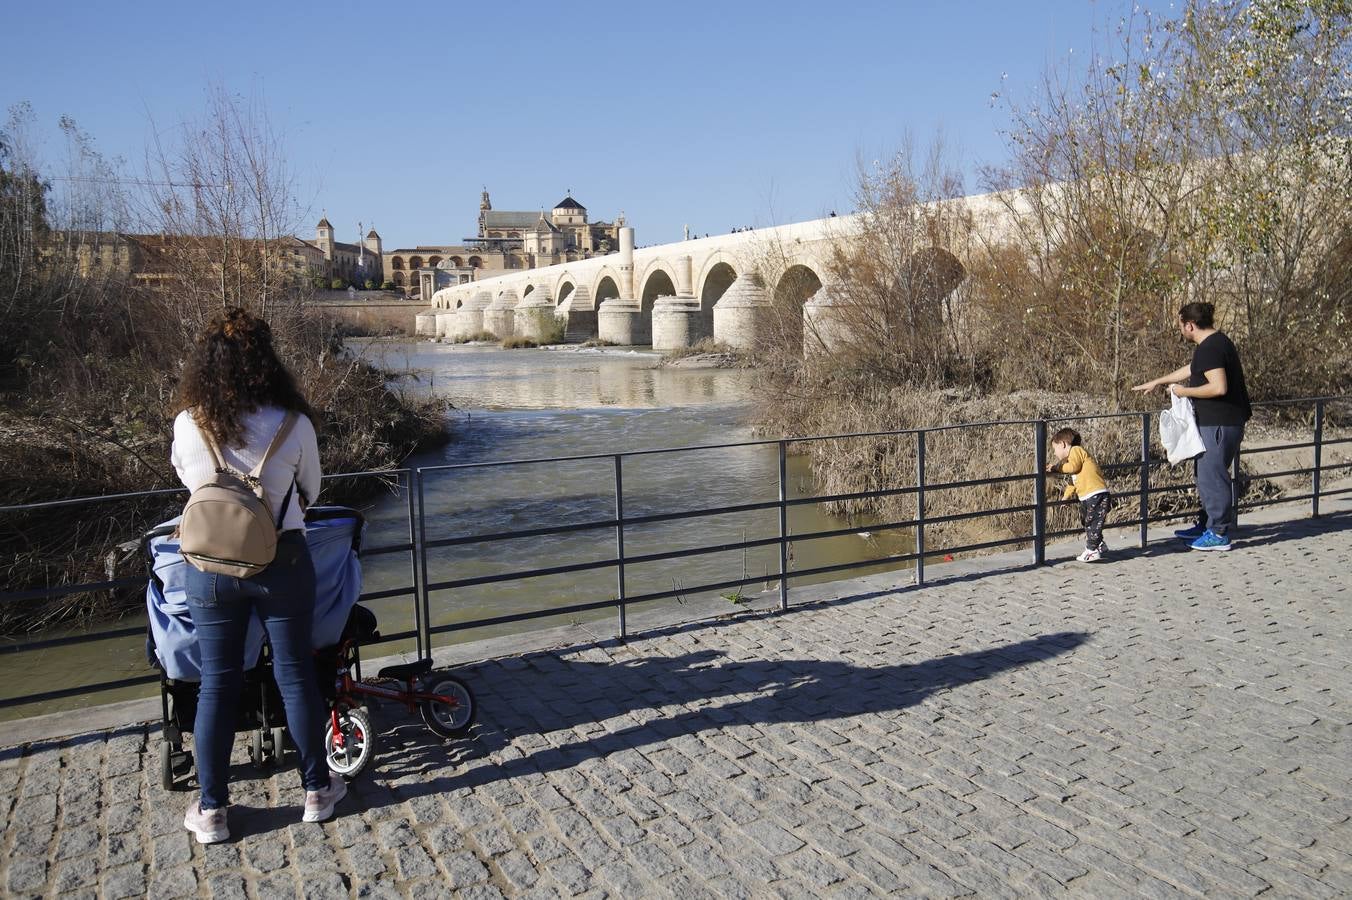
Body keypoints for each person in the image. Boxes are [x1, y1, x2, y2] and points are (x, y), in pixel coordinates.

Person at [171, 308, 346, 844]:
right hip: (283, 559)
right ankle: (317, 791)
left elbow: (187, 480)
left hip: (209, 565)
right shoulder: (293, 423)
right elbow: (311, 491)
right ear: (267, 361)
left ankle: (213, 810)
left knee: (217, 684)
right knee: (294, 674)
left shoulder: (188, 422)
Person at [1132, 301, 1251, 551]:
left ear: (1190, 325)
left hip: (1219, 423)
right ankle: (1208, 522)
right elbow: (1192, 369)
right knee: (1204, 474)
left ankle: (1218, 534)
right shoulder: (1214, 343)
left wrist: (1183, 392)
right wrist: (1158, 381)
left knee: (1212, 477)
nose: (1180, 331)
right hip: (1220, 422)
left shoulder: (1211, 348)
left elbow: (1219, 387)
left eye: (1180, 326)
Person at [1046, 428, 1112, 562]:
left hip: (1096, 494)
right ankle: (1098, 545)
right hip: (1088, 496)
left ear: (1063, 444)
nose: (1054, 452)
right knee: (1088, 521)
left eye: (1055, 448)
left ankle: (1092, 551)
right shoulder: (1072, 458)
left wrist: (1055, 468)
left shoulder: (1076, 451)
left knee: (1092, 522)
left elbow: (1073, 468)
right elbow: (1072, 481)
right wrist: (1065, 497)